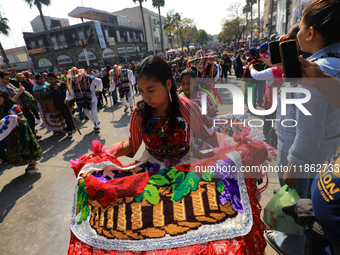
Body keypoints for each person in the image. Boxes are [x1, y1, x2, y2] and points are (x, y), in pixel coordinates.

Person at [67, 55, 269, 254]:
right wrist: (107, 154)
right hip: (151, 169)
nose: (146, 97)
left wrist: (238, 150)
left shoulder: (188, 109)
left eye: (151, 90)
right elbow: (133, 145)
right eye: (141, 91)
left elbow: (210, 138)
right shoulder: (140, 113)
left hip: (185, 169)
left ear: (168, 84)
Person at [265, 1, 340, 254]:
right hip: (328, 153)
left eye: (301, 27)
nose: (295, 34)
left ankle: (292, 245)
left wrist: (293, 167)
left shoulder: (315, 73)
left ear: (310, 33)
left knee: (297, 205)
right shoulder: (326, 68)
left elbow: (308, 132)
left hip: (304, 153)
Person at [0, 90, 43, 175]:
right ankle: (30, 165)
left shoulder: (14, 107)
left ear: (4, 98)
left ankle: (33, 165)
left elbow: (23, 120)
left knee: (26, 149)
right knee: (18, 151)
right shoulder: (1, 109)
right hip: (10, 134)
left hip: (21, 132)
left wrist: (14, 118)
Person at [45, 73, 75, 138]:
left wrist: (72, 101)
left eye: (51, 79)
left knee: (67, 116)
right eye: (48, 79)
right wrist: (54, 89)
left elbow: (70, 93)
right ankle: (72, 127)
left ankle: (70, 130)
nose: (50, 81)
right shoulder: (49, 87)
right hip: (59, 105)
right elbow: (47, 96)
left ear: (56, 78)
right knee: (65, 117)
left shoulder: (63, 84)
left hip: (67, 104)